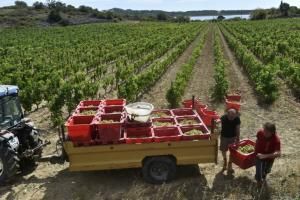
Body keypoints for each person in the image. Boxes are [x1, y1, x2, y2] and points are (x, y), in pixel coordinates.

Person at [255, 122, 281, 187]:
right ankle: (258, 183)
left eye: (267, 132)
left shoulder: (276, 140)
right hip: (259, 156)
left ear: (272, 132)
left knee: (267, 170)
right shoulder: (260, 132)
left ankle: (264, 177)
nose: (264, 133)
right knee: (259, 171)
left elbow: (278, 153)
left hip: (269, 158)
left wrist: (264, 156)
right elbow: (257, 139)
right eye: (264, 130)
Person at [220, 108, 240, 173]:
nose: (232, 118)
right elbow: (217, 126)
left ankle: (230, 164)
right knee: (223, 150)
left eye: (233, 116)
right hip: (224, 137)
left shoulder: (237, 119)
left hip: (232, 137)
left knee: (232, 151)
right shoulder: (223, 118)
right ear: (227, 114)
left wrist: (237, 138)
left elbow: (238, 129)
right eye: (231, 116)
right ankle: (225, 160)